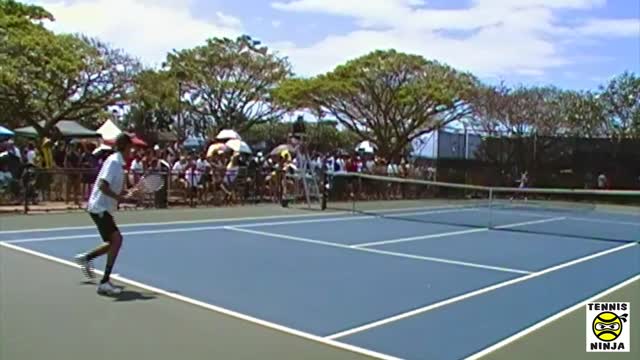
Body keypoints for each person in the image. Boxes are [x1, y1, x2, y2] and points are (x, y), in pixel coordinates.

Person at [75, 133, 137, 295]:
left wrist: (128, 194)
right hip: (99, 208)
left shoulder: (118, 163)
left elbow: (115, 188)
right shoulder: (114, 162)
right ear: (126, 147)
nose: (133, 150)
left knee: (112, 242)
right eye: (131, 147)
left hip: (102, 208)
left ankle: (86, 258)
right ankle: (104, 282)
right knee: (117, 240)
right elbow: (103, 185)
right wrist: (120, 197)